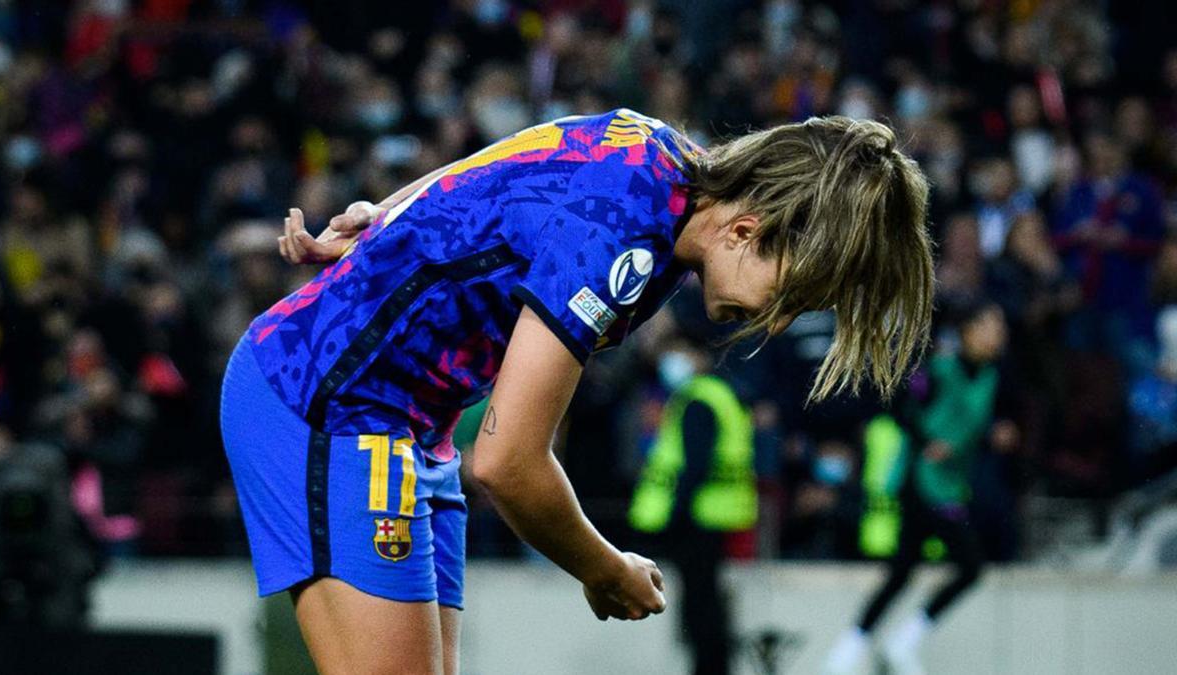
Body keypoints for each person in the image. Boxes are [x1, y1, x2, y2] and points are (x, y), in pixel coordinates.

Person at [220, 108, 934, 674]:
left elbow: (497, 163)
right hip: (323, 401)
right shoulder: (623, 238)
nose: (776, 322)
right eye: (791, 295)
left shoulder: (653, 149)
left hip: (408, 425)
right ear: (747, 230)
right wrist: (605, 568)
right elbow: (508, 463)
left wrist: (389, 216)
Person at [825, 301, 1017, 675]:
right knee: (969, 564)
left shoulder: (994, 376)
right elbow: (901, 406)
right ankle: (896, 644)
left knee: (904, 570)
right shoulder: (940, 370)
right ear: (970, 330)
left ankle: (851, 651)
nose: (999, 334)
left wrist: (998, 433)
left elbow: (988, 422)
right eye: (992, 324)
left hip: (950, 484)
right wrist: (929, 440)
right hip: (920, 482)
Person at [629, 339, 757, 675]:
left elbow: (695, 464)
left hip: (698, 518)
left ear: (698, 355)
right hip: (714, 515)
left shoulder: (699, 399)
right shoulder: (721, 394)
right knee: (706, 604)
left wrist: (676, 513)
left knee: (702, 609)